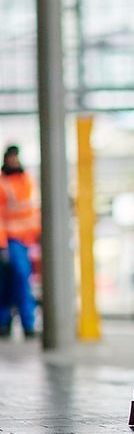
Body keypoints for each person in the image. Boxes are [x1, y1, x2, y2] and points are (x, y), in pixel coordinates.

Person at [0, 145, 39, 340]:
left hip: (26, 239)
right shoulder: (2, 183)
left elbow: (32, 210)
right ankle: (25, 323)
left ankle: (6, 322)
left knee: (13, 281)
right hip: (10, 240)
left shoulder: (27, 180)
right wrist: (2, 244)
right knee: (19, 279)